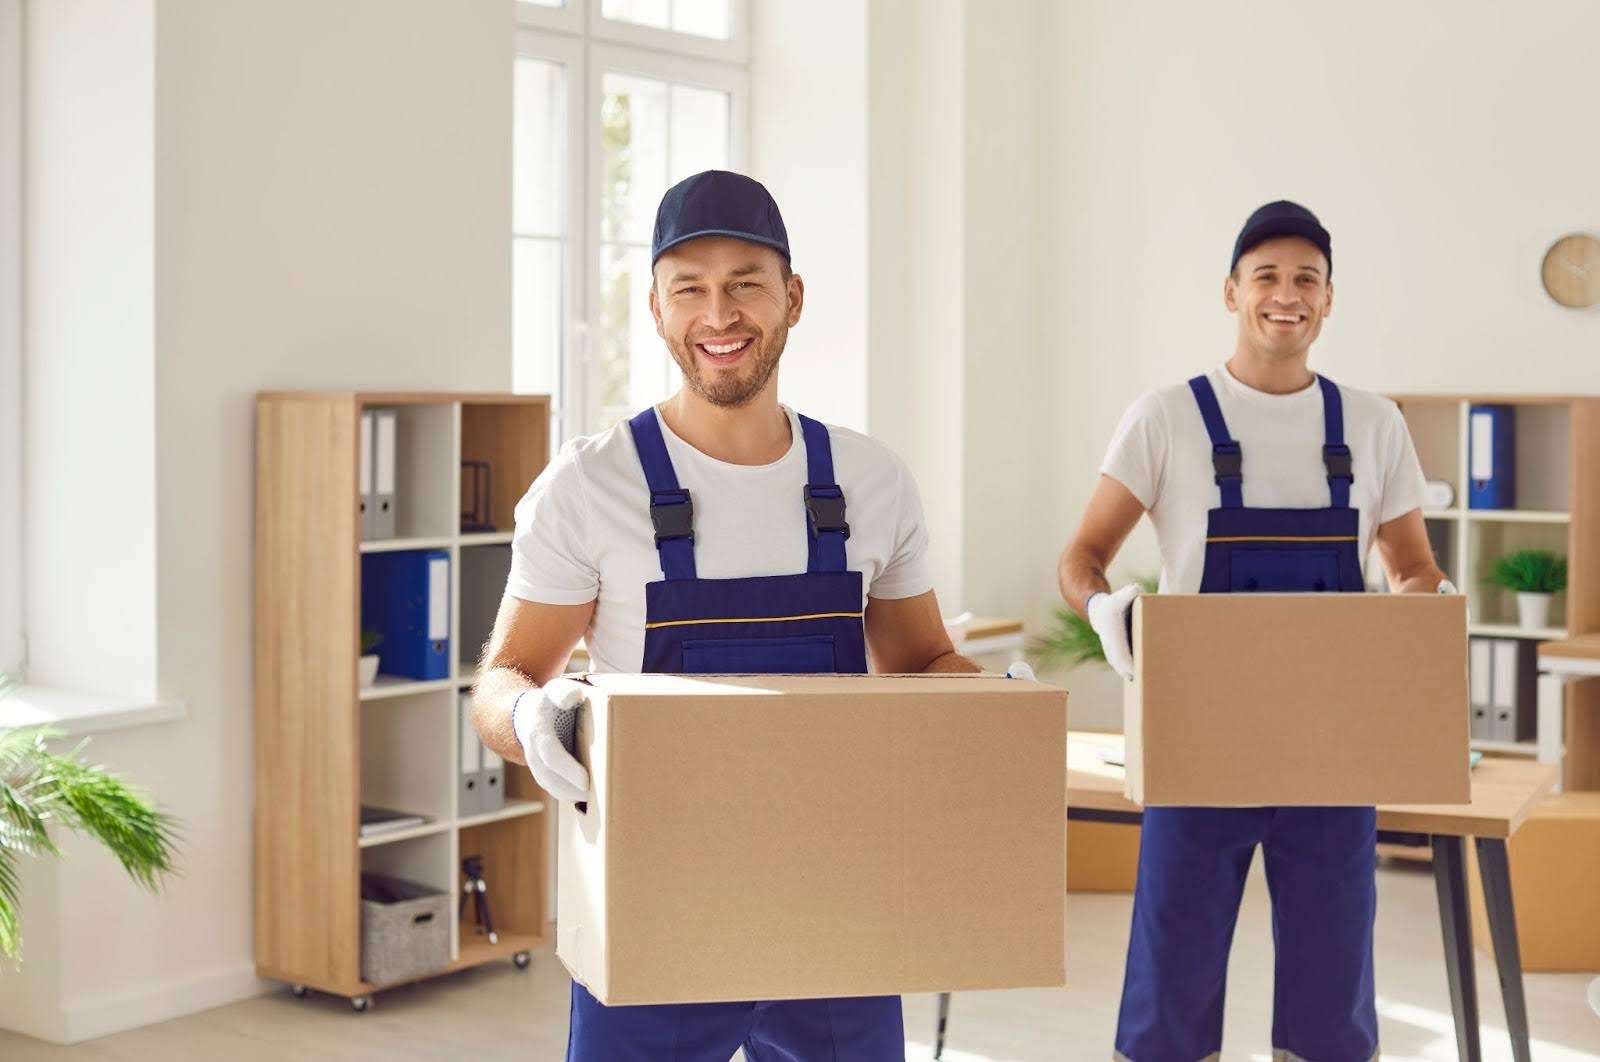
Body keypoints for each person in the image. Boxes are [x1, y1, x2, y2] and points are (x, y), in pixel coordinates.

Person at [472, 169, 990, 1061]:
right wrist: (532, 715)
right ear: (657, 309)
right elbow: (502, 678)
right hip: (656, 905)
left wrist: (990, 707)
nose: (721, 315)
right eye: (691, 289)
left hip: (841, 908)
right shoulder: (589, 486)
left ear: (792, 297)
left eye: (746, 283)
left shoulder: (871, 482)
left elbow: (922, 661)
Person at [1057, 200, 1454, 1061]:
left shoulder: (1373, 426)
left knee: (1332, 1005)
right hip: (1196, 741)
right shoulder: (1166, 419)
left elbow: (1412, 565)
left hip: (1335, 745)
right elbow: (1082, 554)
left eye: (1306, 278)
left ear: (1328, 300)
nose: (1286, 294)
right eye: (1266, 276)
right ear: (1232, 291)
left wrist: (1427, 600)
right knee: (1170, 991)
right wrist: (1104, 609)